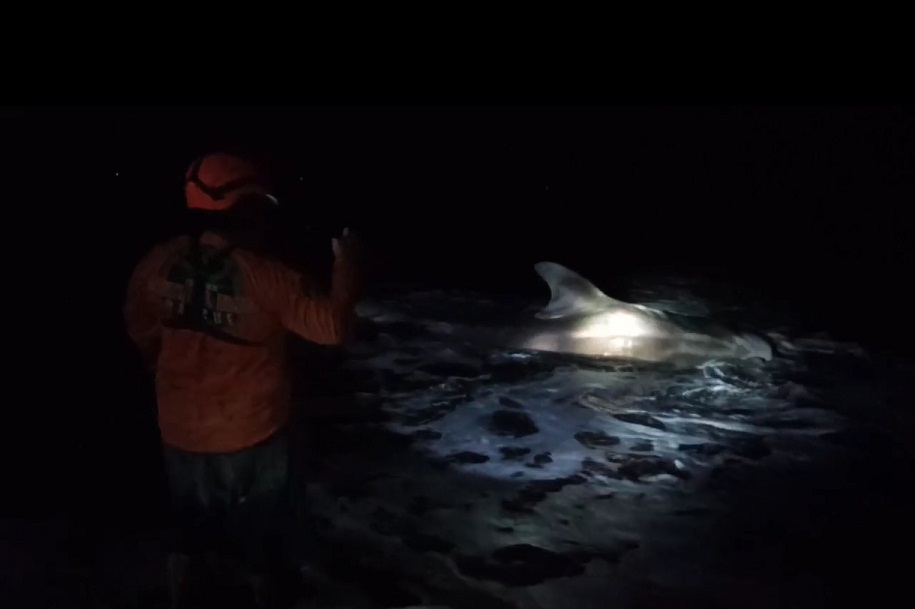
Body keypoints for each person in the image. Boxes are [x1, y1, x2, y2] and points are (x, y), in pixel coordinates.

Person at [123, 151, 364, 607]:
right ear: (249, 208)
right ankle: (262, 592)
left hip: (180, 427)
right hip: (253, 431)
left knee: (189, 524)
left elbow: (141, 327)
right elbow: (332, 328)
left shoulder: (155, 262)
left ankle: (182, 592)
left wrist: (168, 371)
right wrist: (347, 267)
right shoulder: (266, 277)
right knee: (263, 530)